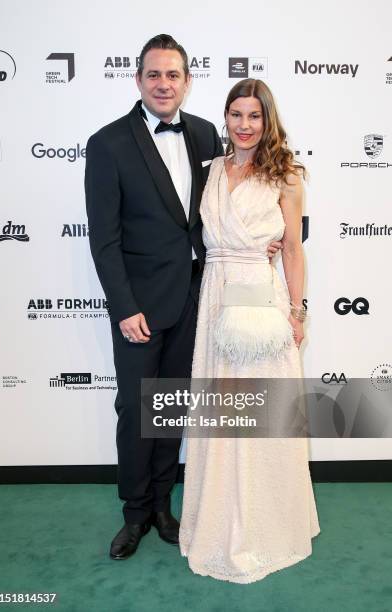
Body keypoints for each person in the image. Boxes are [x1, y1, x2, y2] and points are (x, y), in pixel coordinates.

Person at [85, 35, 280, 561]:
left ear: (187, 81)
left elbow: (223, 207)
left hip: (197, 300)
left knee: (170, 409)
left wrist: (269, 235)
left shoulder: (204, 134)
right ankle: (134, 513)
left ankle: (163, 506)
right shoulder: (108, 144)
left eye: (173, 75)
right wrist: (124, 307)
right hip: (139, 308)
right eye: (154, 75)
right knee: (135, 408)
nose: (164, 84)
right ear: (138, 80)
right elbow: (102, 238)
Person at [179, 79, 320, 583]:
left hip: (261, 303)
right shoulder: (210, 171)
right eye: (236, 114)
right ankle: (219, 520)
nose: (244, 125)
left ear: (268, 120)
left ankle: (267, 526)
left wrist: (297, 313)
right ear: (225, 118)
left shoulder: (287, 176)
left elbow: (293, 249)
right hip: (217, 298)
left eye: (254, 116)